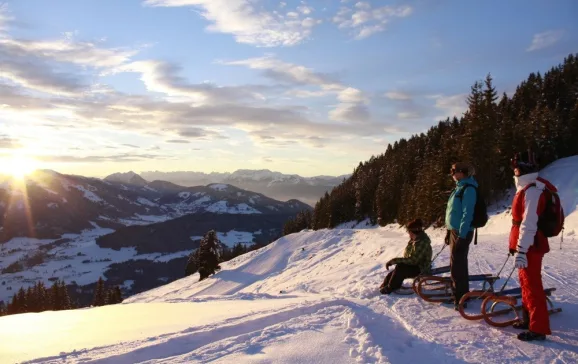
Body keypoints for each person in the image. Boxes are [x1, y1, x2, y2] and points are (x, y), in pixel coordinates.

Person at [509, 150, 554, 341]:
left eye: (517, 170)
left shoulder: (533, 191)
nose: (515, 174)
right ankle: (529, 319)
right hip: (527, 244)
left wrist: (522, 249)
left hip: (531, 245)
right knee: (526, 284)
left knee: (533, 285)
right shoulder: (527, 189)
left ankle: (539, 328)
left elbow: (528, 224)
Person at [445, 162, 477, 310]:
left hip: (462, 232)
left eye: (454, 171)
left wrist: (462, 236)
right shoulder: (458, 188)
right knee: (456, 264)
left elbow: (467, 214)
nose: (451, 174)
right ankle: (458, 294)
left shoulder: (468, 189)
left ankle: (461, 297)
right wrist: (448, 231)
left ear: (462, 172)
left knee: (458, 265)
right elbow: (452, 212)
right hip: (455, 231)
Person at [380, 219, 432, 294]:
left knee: (400, 268)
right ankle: (386, 284)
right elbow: (408, 258)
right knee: (398, 269)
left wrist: (394, 261)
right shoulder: (414, 241)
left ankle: (391, 288)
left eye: (409, 232)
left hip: (422, 268)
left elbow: (414, 260)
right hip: (416, 266)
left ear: (413, 232)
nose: (408, 234)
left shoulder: (422, 242)